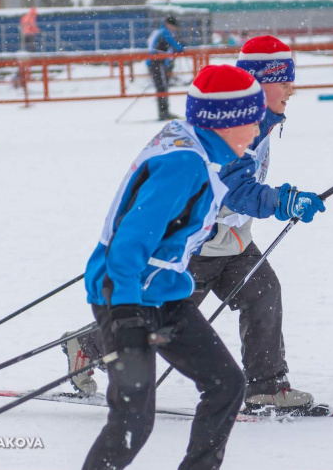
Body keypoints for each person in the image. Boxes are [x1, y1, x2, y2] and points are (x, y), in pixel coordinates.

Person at [63, 36, 328, 416]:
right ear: (258, 81)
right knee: (164, 321)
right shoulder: (234, 122)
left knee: (263, 293)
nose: (291, 87)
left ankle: (266, 387)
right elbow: (234, 188)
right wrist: (284, 200)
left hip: (232, 238)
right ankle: (88, 348)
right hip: (197, 244)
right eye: (281, 78)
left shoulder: (263, 120)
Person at [81, 64, 267, 469]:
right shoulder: (186, 163)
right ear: (226, 122)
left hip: (163, 292)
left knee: (225, 386)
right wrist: (127, 315)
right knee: (132, 420)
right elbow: (128, 243)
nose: (256, 132)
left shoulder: (200, 148)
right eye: (252, 121)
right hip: (125, 294)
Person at [146, 15, 184, 121]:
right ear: (169, 24)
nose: (174, 28)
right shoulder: (164, 32)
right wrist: (181, 48)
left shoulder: (159, 31)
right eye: (173, 26)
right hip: (157, 62)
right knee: (162, 87)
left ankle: (164, 111)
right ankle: (164, 112)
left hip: (156, 62)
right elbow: (175, 46)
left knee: (162, 87)